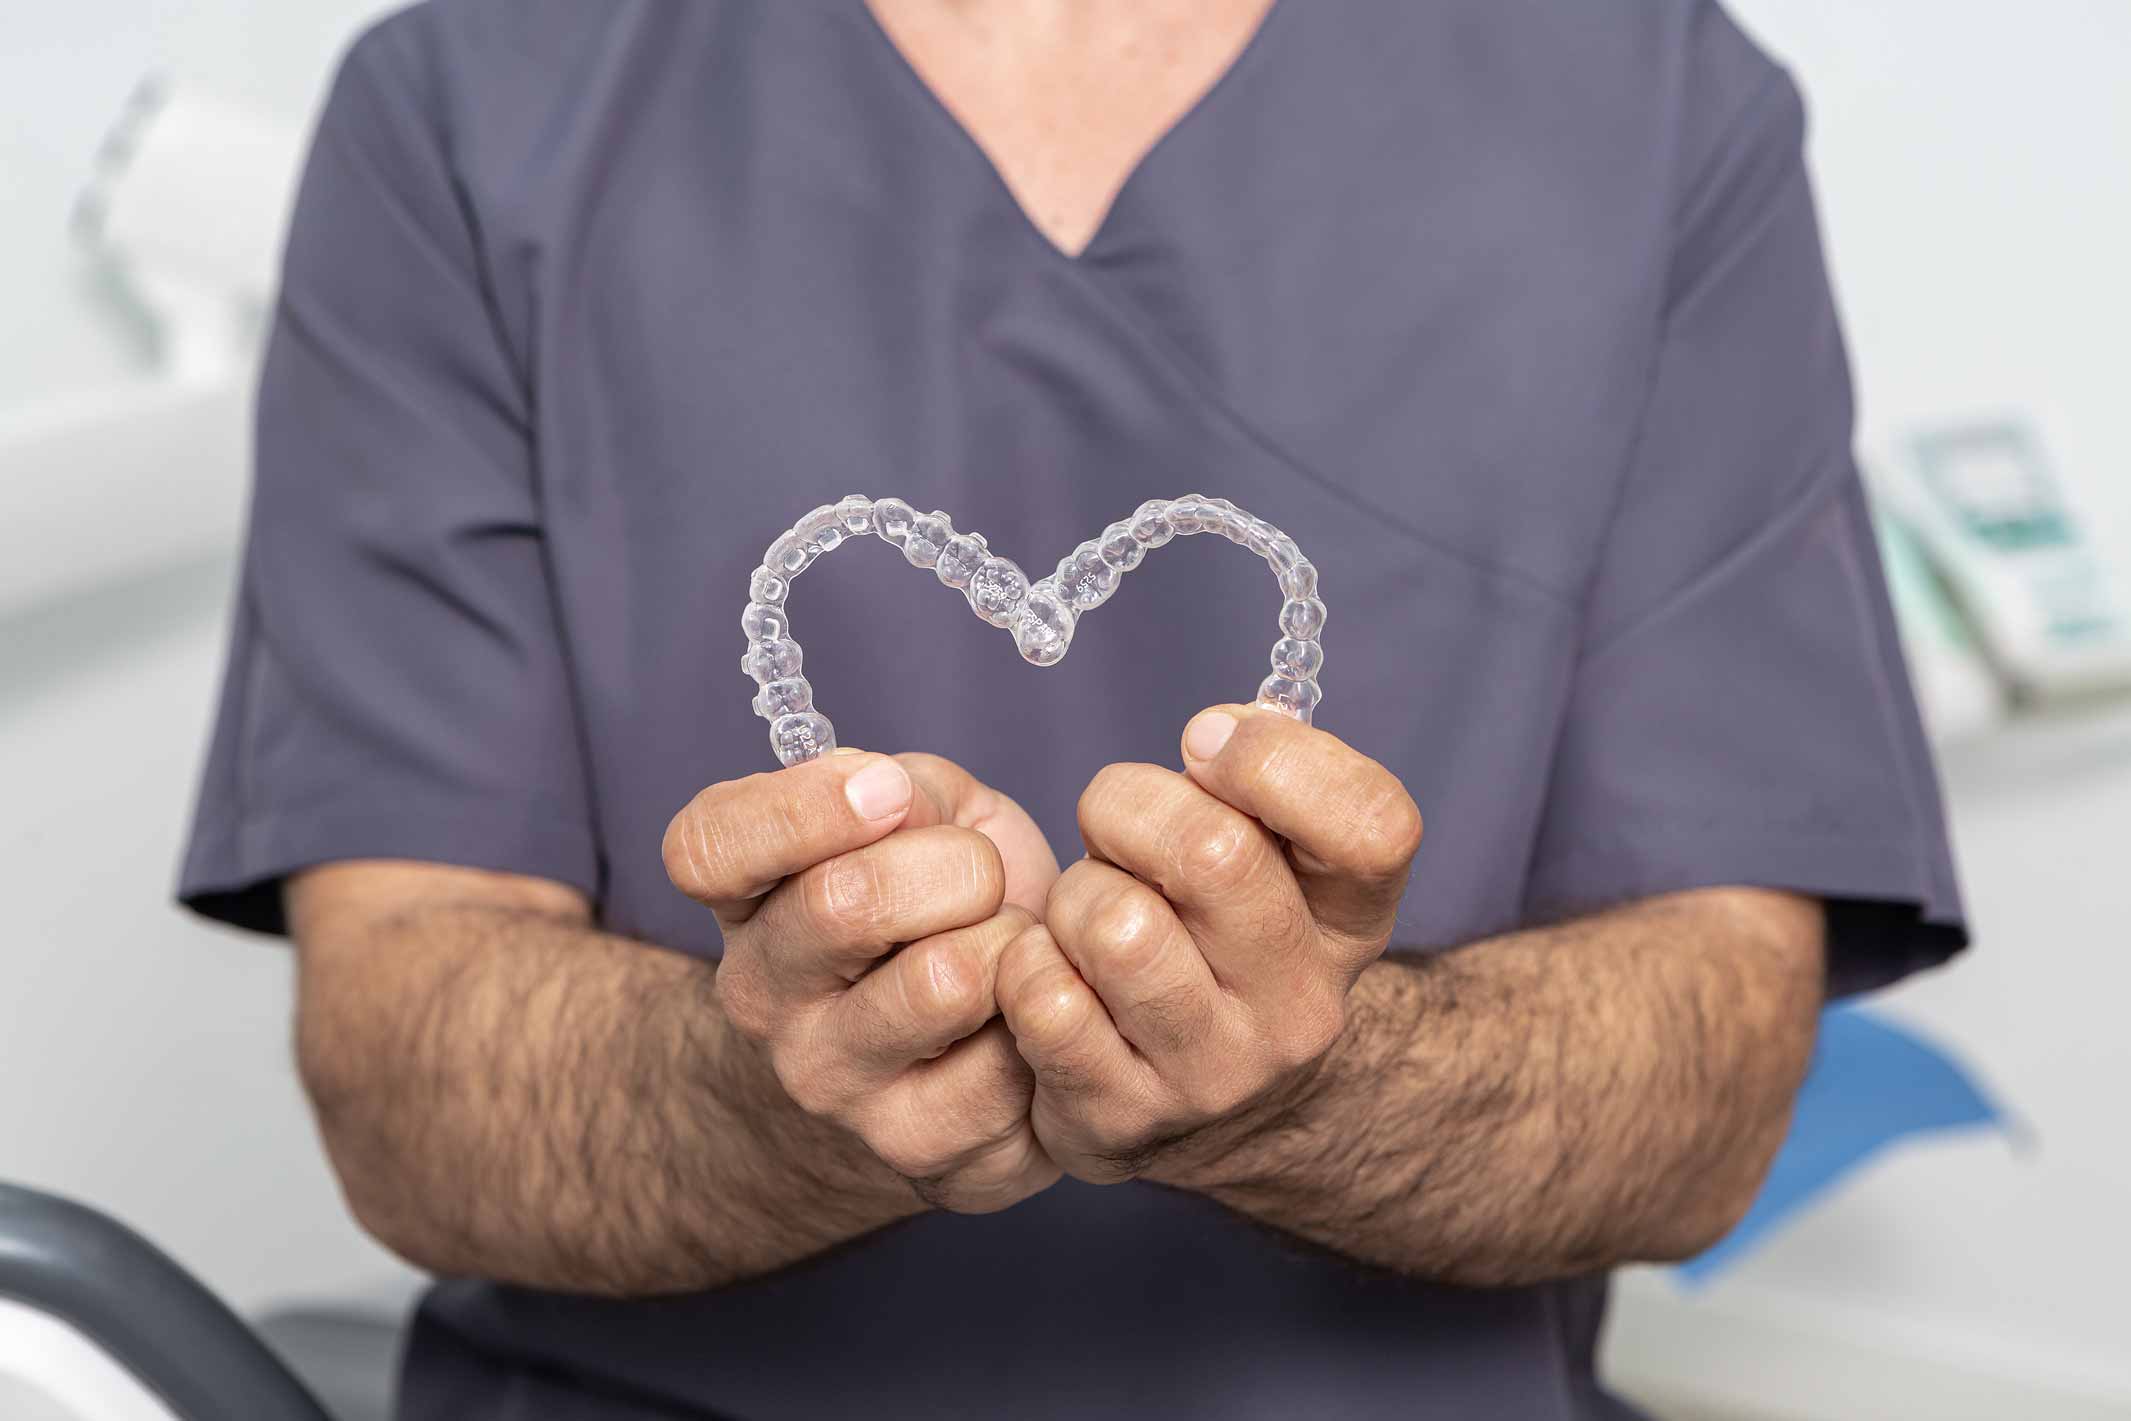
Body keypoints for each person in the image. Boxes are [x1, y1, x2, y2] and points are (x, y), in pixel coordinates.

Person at [177, 1, 1967, 1416]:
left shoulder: (1659, 114)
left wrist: (1298, 1087)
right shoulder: (465, 114)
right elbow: (400, 1052)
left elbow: (1717, 1051)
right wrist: (789, 1089)